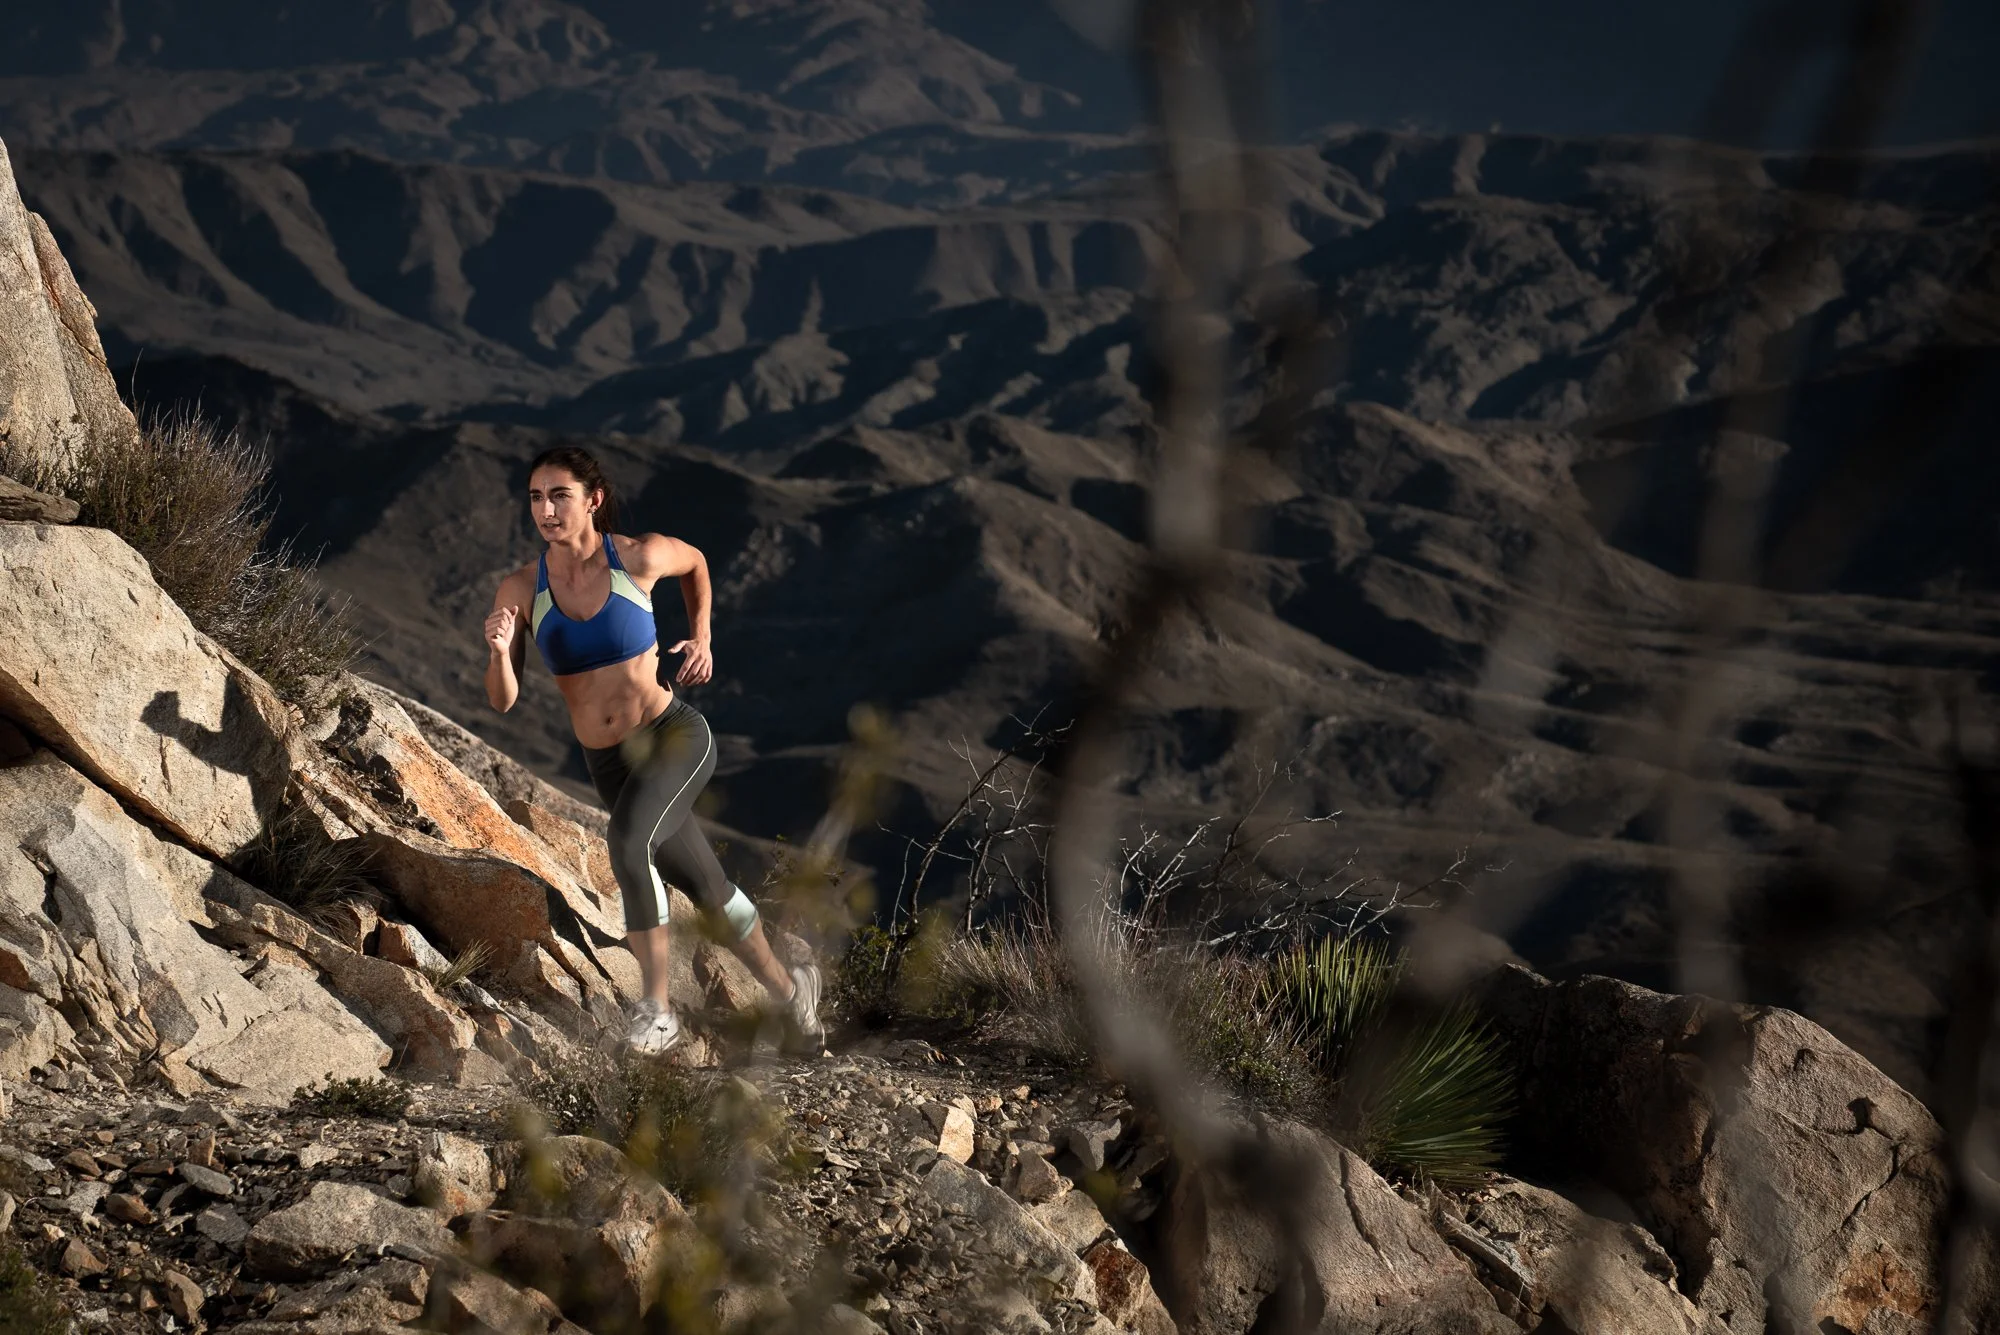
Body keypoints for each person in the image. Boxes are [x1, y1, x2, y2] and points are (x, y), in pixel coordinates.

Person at [482, 445, 822, 1057]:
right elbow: (502, 701)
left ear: (594, 500)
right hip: (609, 766)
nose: (546, 510)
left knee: (628, 843)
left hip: (672, 736)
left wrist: (703, 637)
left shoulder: (636, 556)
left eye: (559, 495)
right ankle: (792, 991)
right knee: (709, 888)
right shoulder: (522, 587)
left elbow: (696, 564)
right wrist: (500, 652)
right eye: (536, 497)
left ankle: (658, 1012)